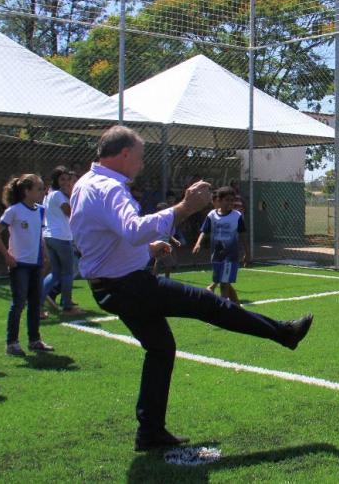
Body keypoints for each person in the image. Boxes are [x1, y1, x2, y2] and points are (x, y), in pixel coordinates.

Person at [69, 126, 313, 451]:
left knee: (160, 348)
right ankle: (284, 333)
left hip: (110, 286)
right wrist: (184, 207)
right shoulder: (109, 187)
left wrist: (148, 249)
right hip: (128, 285)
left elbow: (103, 237)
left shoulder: (87, 183)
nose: (141, 164)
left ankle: (150, 432)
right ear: (124, 155)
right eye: (139, 158)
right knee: (207, 303)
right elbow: (130, 229)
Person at [0, 174, 55, 356]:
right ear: (27, 191)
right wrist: (7, 255)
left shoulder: (41, 210)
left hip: (35, 264)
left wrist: (44, 253)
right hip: (19, 264)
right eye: (39, 188)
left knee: (35, 303)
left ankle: (35, 340)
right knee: (18, 303)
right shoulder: (14, 211)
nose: (43, 192)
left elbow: (38, 235)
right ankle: (12, 343)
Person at [192, 186, 250, 304]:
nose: (230, 203)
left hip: (231, 256)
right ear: (219, 200)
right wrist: (198, 243)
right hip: (217, 255)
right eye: (227, 200)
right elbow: (204, 230)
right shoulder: (212, 215)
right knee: (224, 281)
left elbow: (243, 234)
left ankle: (221, 312)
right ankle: (237, 307)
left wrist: (247, 253)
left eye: (232, 200)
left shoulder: (237, 215)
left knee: (224, 284)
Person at [41, 166, 85, 318]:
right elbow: (70, 213)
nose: (66, 182)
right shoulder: (59, 195)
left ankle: (37, 304)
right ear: (56, 180)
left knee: (55, 273)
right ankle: (67, 306)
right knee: (67, 273)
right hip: (61, 237)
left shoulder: (49, 194)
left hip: (50, 236)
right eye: (62, 179)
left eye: (67, 179)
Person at [151, 202, 181, 279]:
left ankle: (155, 277)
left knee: (160, 262)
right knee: (166, 262)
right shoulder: (156, 220)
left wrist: (175, 240)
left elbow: (168, 234)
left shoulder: (167, 221)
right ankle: (164, 278)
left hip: (165, 244)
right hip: (160, 244)